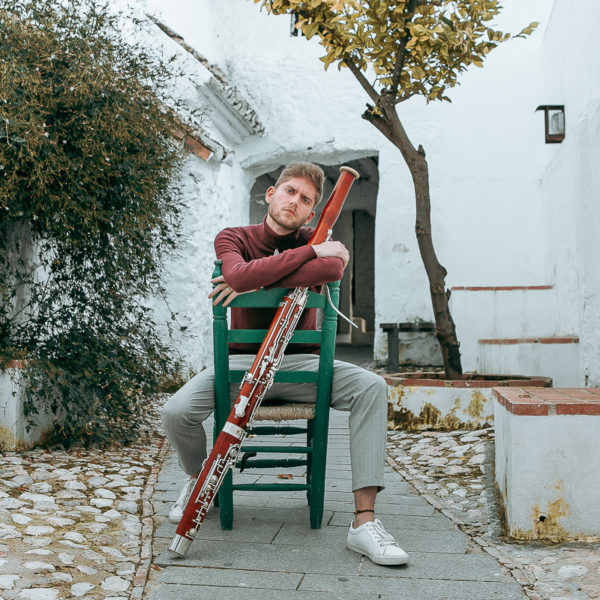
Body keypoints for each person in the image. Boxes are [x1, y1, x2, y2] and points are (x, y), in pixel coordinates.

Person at [162, 162, 409, 566]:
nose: (295, 201)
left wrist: (255, 279)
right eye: (290, 191)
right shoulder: (234, 237)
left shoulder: (320, 237)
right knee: (176, 412)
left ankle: (363, 523)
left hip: (302, 367)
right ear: (271, 194)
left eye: (306, 199)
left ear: (312, 213)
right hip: (239, 364)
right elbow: (238, 274)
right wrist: (305, 254)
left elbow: (331, 267)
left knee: (372, 387)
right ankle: (197, 479)